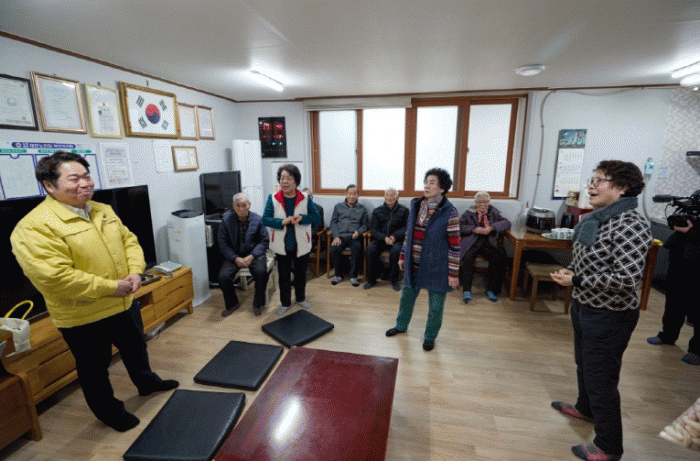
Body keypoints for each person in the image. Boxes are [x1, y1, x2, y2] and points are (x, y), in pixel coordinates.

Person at [10, 151, 178, 432]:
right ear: (49, 185)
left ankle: (147, 383)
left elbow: (129, 241)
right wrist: (111, 287)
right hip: (83, 315)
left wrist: (136, 271)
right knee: (94, 369)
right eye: (74, 178)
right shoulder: (33, 227)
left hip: (124, 302)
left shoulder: (102, 209)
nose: (85, 183)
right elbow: (55, 278)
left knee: (136, 348)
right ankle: (109, 412)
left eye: (87, 176)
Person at [550, 160, 652, 461]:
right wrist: (572, 271)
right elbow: (589, 258)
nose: (591, 185)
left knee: (602, 379)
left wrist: (577, 280)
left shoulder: (631, 223)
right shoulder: (598, 218)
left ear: (622, 188)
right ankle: (585, 408)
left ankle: (609, 446)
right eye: (592, 179)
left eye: (600, 180)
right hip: (585, 305)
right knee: (584, 366)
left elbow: (627, 279)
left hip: (610, 315)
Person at [385, 168, 460, 351]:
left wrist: (453, 273)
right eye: (426, 182)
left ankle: (430, 337)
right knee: (406, 298)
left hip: (437, 266)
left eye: (432, 183)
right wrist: (403, 255)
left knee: (435, 306)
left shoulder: (449, 211)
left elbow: (455, 245)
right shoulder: (417, 206)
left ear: (442, 188)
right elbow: (408, 235)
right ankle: (401, 326)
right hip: (413, 262)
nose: (427, 185)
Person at [263, 164, 321, 315]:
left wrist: (302, 218)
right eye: (282, 178)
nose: (284, 181)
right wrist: (281, 222)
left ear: (296, 181)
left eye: (289, 178)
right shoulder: (273, 198)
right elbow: (265, 219)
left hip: (301, 243)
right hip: (281, 245)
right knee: (283, 276)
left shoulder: (305, 198)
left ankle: (301, 298)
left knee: (301, 274)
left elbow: (316, 217)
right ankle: (285, 303)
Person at [647, 209, 700, 365]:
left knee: (697, 309)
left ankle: (697, 350)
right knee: (673, 303)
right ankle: (668, 336)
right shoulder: (692, 211)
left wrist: (692, 231)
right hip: (679, 261)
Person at [217, 192, 270, 317]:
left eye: (244, 205)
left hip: (254, 255)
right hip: (234, 255)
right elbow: (222, 242)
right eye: (238, 205)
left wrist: (252, 256)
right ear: (233, 206)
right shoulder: (226, 220)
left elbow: (264, 241)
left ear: (249, 205)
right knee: (223, 276)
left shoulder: (258, 219)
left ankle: (257, 303)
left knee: (261, 272)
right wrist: (235, 258)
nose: (241, 208)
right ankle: (232, 304)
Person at [459, 191, 511, 303]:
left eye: (485, 202)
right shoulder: (468, 213)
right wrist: (474, 229)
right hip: (473, 241)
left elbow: (507, 223)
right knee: (468, 258)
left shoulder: (494, 212)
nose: (483, 204)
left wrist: (492, 227)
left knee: (497, 258)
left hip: (489, 242)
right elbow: (460, 226)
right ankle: (466, 290)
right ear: (475, 202)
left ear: (489, 202)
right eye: (479, 202)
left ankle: (491, 290)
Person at [364, 188, 409, 291]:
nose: (389, 197)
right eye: (387, 195)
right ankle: (371, 280)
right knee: (370, 249)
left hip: (397, 240)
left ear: (397, 197)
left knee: (396, 251)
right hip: (381, 239)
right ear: (384, 196)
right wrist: (384, 237)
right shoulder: (377, 211)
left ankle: (394, 281)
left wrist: (394, 236)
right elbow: (374, 229)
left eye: (392, 195)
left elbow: (407, 227)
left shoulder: (404, 211)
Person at [329, 184, 369, 287]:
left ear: (358, 195)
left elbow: (365, 225)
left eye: (354, 194)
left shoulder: (362, 208)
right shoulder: (338, 206)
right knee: (334, 248)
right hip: (340, 236)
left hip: (353, 236)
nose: (352, 196)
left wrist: (358, 232)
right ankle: (338, 275)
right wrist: (336, 236)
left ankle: (353, 276)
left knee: (357, 248)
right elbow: (333, 222)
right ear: (346, 194)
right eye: (350, 194)